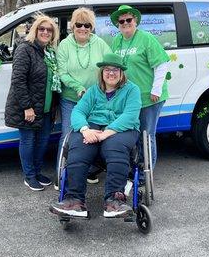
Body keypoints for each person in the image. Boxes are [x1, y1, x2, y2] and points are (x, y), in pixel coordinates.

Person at [50, 53, 141, 218]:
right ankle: (74, 200)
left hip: (121, 129)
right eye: (107, 69)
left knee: (116, 148)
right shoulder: (93, 90)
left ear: (121, 73)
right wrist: (85, 129)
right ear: (102, 72)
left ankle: (114, 200)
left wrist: (105, 133)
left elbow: (130, 115)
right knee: (78, 148)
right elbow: (78, 111)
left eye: (115, 70)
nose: (111, 73)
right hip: (93, 127)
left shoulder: (132, 90)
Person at [110, 5, 170, 172]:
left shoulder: (146, 38)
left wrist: (156, 90)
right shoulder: (117, 41)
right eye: (121, 21)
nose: (125, 23)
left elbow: (161, 64)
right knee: (132, 135)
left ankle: (146, 172)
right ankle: (134, 168)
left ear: (135, 20)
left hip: (149, 97)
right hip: (128, 98)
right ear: (118, 24)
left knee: (146, 136)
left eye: (129, 19)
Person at [4, 14, 61, 191]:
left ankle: (37, 172)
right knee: (28, 141)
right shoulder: (25, 49)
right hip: (29, 107)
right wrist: (27, 107)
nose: (45, 32)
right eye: (42, 29)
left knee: (43, 141)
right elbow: (18, 80)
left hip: (45, 107)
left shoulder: (50, 52)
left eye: (49, 30)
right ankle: (29, 177)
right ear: (35, 30)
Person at [56, 7, 111, 186]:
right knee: (69, 134)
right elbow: (62, 73)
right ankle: (63, 174)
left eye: (87, 25)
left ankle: (87, 170)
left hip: (96, 99)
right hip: (72, 98)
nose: (83, 28)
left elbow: (110, 65)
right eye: (79, 24)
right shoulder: (64, 45)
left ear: (91, 27)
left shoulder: (99, 43)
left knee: (93, 133)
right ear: (73, 25)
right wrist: (78, 87)